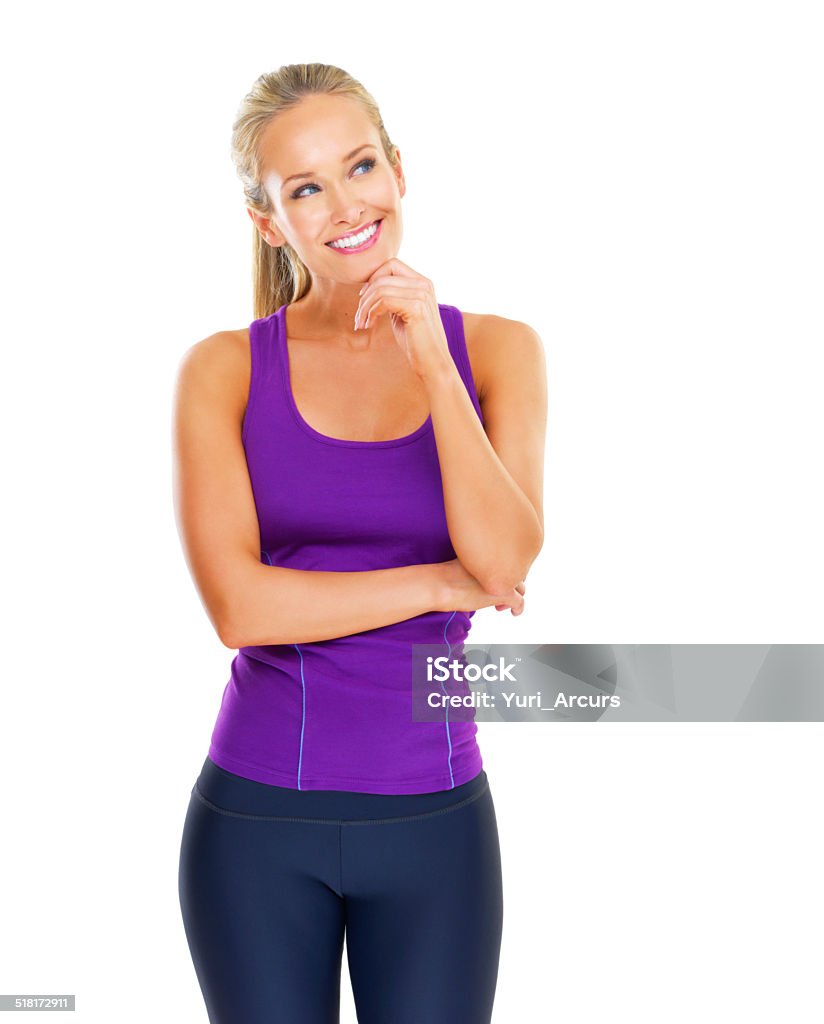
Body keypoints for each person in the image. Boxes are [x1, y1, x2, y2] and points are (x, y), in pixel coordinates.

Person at [174, 62, 546, 1024]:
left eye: (360, 166)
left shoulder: (498, 353)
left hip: (438, 826)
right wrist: (432, 583)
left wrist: (429, 351)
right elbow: (240, 608)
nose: (345, 205)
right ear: (271, 222)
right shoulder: (224, 372)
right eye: (305, 188)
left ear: (398, 171)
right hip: (257, 826)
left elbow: (502, 565)